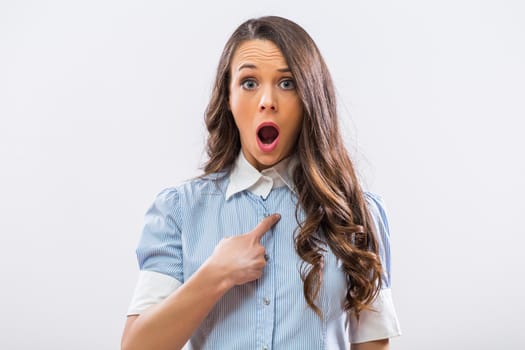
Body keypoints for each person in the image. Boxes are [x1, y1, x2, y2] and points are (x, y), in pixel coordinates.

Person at [121, 16, 401, 350]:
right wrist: (216, 274)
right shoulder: (178, 211)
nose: (267, 100)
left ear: (310, 99)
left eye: (287, 83)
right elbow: (137, 346)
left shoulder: (356, 213)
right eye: (249, 83)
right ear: (228, 97)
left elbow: (371, 343)